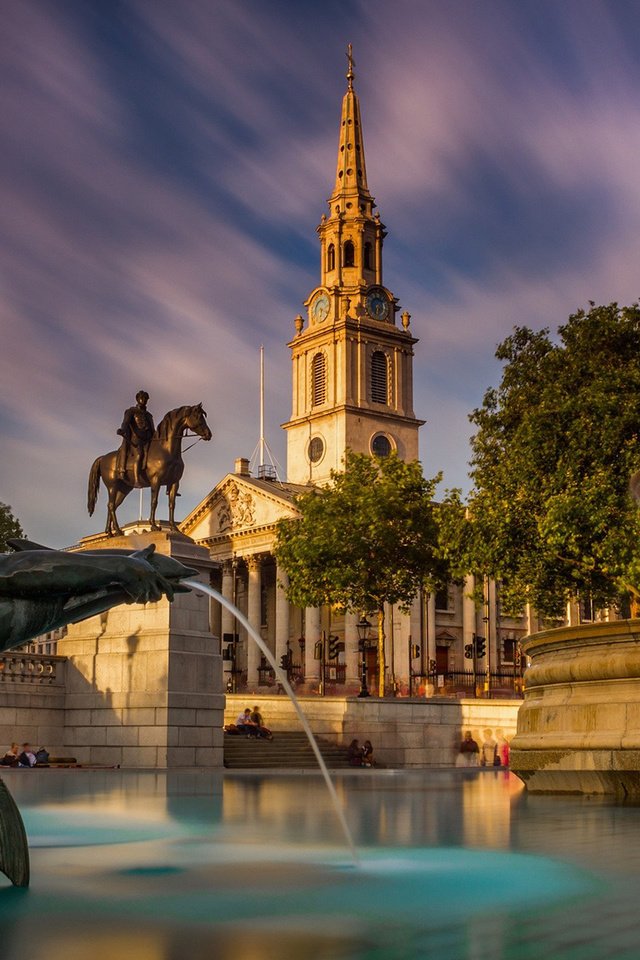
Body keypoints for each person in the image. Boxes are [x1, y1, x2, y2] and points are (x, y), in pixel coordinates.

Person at [116, 390, 155, 484]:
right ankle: (137, 480)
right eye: (142, 398)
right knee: (140, 454)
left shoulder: (149, 415)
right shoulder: (131, 411)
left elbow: (152, 430)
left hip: (147, 439)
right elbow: (125, 423)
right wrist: (122, 429)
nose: (144, 400)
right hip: (136, 440)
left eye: (146, 399)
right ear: (138, 399)